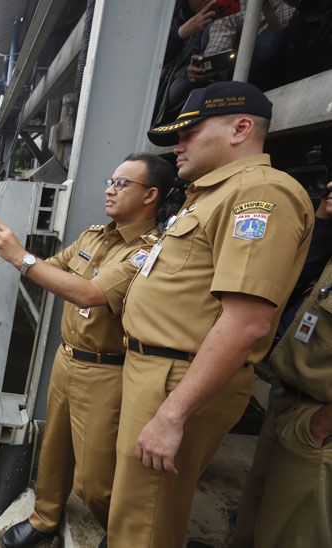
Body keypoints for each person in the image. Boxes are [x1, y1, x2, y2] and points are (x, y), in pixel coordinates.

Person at [105, 81, 314, 547]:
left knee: (145, 523)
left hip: (175, 379)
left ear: (241, 128)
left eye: (189, 133)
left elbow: (247, 322)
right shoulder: (210, 194)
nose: (177, 146)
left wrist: (171, 415)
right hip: (156, 371)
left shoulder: (260, 194)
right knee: (136, 510)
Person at [0, 154, 174, 548]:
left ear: (151, 195)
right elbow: (53, 269)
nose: (109, 189)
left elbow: (90, 293)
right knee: (53, 451)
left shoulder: (148, 251)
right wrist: (18, 251)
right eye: (110, 180)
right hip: (67, 357)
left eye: (122, 184)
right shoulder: (94, 236)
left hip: (106, 370)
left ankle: (122, 532)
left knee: (94, 480)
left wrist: (20, 256)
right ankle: (44, 518)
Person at [230, 179, 331, 548]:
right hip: (288, 395)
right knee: (258, 506)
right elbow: (297, 280)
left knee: (292, 528)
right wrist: (322, 222)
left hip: (318, 417)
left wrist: (321, 425)